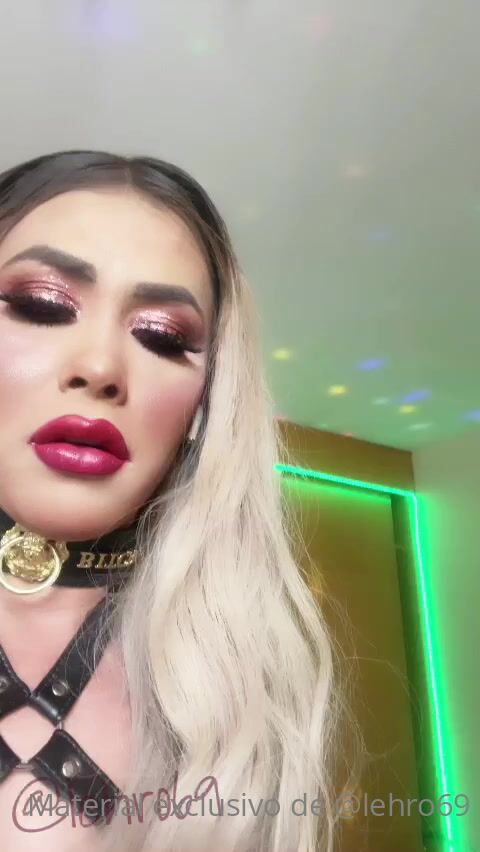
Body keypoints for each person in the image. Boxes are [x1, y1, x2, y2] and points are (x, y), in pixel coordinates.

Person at [0, 151, 335, 852]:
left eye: (162, 337)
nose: (100, 368)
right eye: (40, 305)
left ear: (206, 403)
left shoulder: (243, 697)